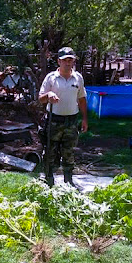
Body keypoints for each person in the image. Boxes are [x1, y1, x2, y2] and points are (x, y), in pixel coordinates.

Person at [38, 46, 88, 187]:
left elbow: (82, 99)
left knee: (69, 152)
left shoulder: (78, 78)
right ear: (59, 61)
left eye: (70, 60)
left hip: (71, 121)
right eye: (65, 60)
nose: (68, 63)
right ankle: (48, 179)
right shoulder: (51, 78)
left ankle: (68, 180)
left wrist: (84, 119)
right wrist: (48, 96)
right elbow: (40, 98)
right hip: (54, 120)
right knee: (50, 151)